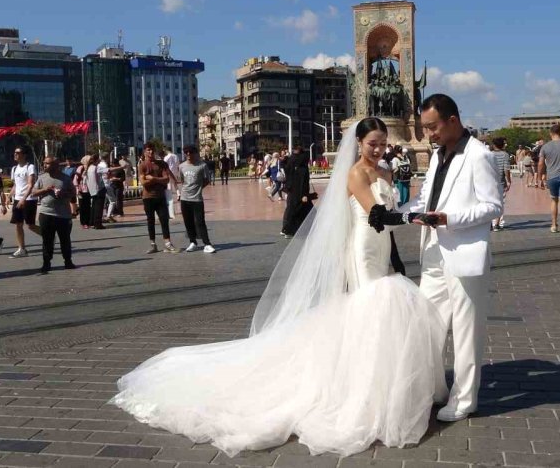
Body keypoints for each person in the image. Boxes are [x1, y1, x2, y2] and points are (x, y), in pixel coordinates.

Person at [111, 117, 447, 457]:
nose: (376, 149)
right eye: (371, 143)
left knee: (382, 315)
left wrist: (398, 257)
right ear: (358, 143)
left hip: (381, 248)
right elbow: (376, 215)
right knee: (369, 311)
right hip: (362, 249)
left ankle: (383, 388)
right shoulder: (356, 174)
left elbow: (388, 222)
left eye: (381, 143)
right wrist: (412, 218)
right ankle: (364, 393)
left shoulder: (386, 172)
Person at [398, 94, 502, 422]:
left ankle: (464, 399)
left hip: (464, 253)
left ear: (453, 120)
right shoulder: (437, 155)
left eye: (433, 127)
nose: (429, 134)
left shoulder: (479, 155)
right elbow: (425, 197)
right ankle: (431, 389)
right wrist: (400, 214)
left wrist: (448, 219)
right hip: (433, 252)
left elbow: (493, 206)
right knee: (426, 324)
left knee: (466, 330)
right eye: (426, 128)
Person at [33, 157, 77, 274]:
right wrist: (45, 190)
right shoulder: (42, 177)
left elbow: (73, 193)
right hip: (46, 213)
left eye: (47, 164)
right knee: (47, 240)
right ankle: (46, 263)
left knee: (65, 239)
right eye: (44, 163)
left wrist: (63, 193)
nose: (44, 165)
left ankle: (68, 261)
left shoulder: (65, 179)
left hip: (63, 215)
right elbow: (34, 192)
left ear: (55, 165)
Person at [139, 145, 179, 254]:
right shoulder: (142, 165)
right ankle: (153, 244)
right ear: (144, 152)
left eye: (152, 149)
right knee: (150, 220)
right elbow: (143, 182)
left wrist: (152, 178)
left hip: (160, 196)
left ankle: (168, 243)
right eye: (148, 150)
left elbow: (166, 179)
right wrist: (157, 180)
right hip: (148, 197)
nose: (151, 152)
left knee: (164, 219)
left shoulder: (162, 164)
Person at [536, 123, 560, 236]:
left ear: (551, 133)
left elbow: (541, 164)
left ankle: (553, 225)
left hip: (551, 177)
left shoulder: (545, 147)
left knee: (554, 201)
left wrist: (539, 178)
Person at [178, 145, 215, 253]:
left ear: (195, 153)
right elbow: (182, 180)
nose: (188, 154)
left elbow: (206, 180)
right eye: (186, 152)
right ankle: (192, 242)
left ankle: (207, 244)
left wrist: (198, 188)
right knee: (188, 221)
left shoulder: (202, 165)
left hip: (197, 199)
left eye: (191, 152)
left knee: (200, 222)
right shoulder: (181, 166)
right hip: (185, 199)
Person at [9, 147, 41, 256]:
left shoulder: (30, 167)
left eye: (18, 152)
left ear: (24, 154)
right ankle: (21, 248)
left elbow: (30, 184)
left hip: (29, 199)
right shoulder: (14, 168)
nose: (15, 154)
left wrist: (23, 198)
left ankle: (48, 235)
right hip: (18, 199)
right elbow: (15, 184)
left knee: (30, 225)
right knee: (18, 224)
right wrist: (9, 195)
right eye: (15, 152)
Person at [281, 145, 313, 237]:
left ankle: (289, 230)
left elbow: (287, 173)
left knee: (293, 211)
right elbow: (304, 181)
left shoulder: (291, 160)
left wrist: (284, 161)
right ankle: (293, 230)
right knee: (303, 211)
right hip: (299, 192)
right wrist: (305, 194)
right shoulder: (302, 163)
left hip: (292, 191)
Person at [489, 137, 511, 231]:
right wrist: (509, 180)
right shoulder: (505, 155)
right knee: (499, 203)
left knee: (489, 203)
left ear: (494, 145)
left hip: (489, 182)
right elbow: (506, 169)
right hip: (500, 182)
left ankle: (489, 224)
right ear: (502, 145)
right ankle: (496, 225)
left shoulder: (489, 154)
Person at [86, 153, 106, 229]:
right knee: (99, 207)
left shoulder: (89, 168)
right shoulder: (96, 168)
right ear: (97, 160)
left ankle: (92, 222)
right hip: (99, 189)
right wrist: (121, 167)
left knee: (94, 206)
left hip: (92, 190)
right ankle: (97, 223)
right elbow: (107, 170)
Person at [162, 147, 180, 217]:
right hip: (175, 171)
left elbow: (164, 165)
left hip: (169, 173)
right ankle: (178, 194)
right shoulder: (176, 156)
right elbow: (178, 164)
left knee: (169, 187)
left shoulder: (167, 157)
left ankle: (170, 206)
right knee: (175, 184)